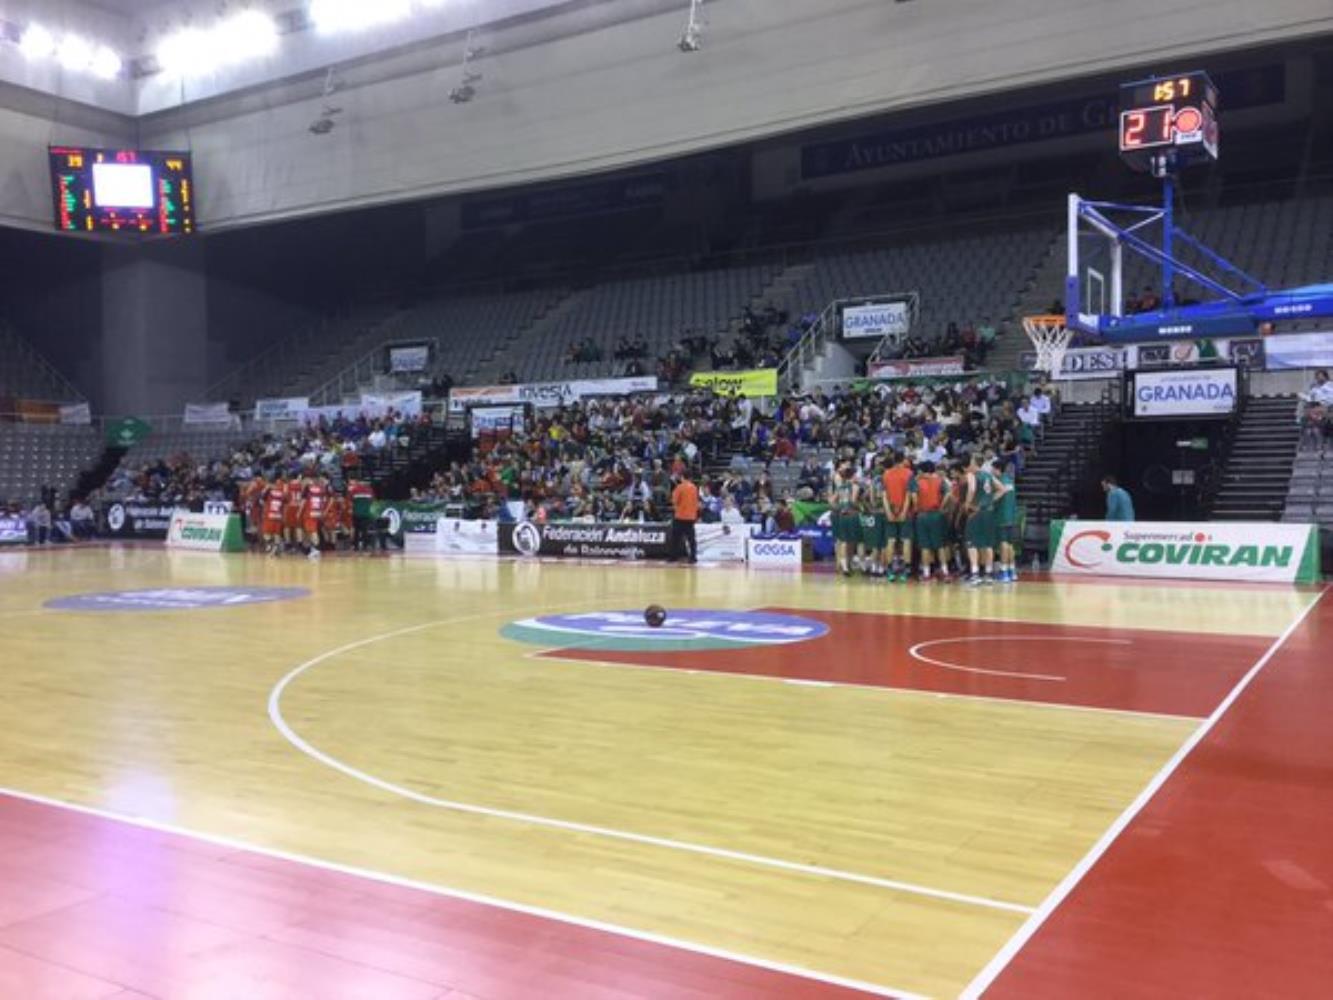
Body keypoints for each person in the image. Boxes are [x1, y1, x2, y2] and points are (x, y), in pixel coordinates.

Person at [964, 453, 999, 586]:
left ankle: (975, 574)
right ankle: (988, 575)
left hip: (976, 512)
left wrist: (968, 504)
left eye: (971, 461)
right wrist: (990, 500)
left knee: (971, 543)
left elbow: (972, 489)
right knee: (987, 544)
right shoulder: (989, 475)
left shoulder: (972, 475)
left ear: (974, 463)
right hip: (989, 512)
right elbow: (1002, 489)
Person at [881, 452, 916, 583]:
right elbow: (908, 495)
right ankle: (905, 571)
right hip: (904, 512)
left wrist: (889, 512)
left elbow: (884, 496)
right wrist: (903, 512)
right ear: (903, 460)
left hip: (890, 511)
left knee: (890, 541)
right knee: (906, 541)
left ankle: (890, 571)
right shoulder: (909, 473)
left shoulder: (886, 474)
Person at [913, 462, 950, 582]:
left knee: (925, 546)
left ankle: (926, 574)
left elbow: (913, 497)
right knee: (940, 546)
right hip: (936, 514)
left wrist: (917, 507)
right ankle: (945, 572)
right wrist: (942, 506)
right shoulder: (940, 480)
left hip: (922, 515)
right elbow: (948, 493)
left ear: (922, 471)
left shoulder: (917, 482)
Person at [829, 462, 860, 577]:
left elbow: (832, 501)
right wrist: (861, 508)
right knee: (851, 541)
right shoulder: (855, 486)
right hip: (851, 515)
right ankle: (849, 564)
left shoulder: (840, 487)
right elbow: (853, 502)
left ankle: (843, 566)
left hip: (841, 515)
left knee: (842, 541)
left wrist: (839, 508)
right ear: (852, 476)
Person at [995, 460, 1019, 583]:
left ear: (998, 469)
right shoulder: (1010, 481)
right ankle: (1012, 571)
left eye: (993, 470)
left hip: (1002, 517)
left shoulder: (999, 483)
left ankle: (1004, 572)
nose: (992, 473)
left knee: (1003, 543)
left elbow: (996, 499)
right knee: (1010, 544)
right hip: (1012, 516)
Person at [670, 470, 700, 564]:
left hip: (680, 516)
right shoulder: (694, 488)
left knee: (675, 538)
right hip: (691, 517)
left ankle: (674, 556)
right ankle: (693, 557)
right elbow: (696, 502)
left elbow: (674, 501)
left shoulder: (679, 487)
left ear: (682, 477)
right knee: (691, 539)